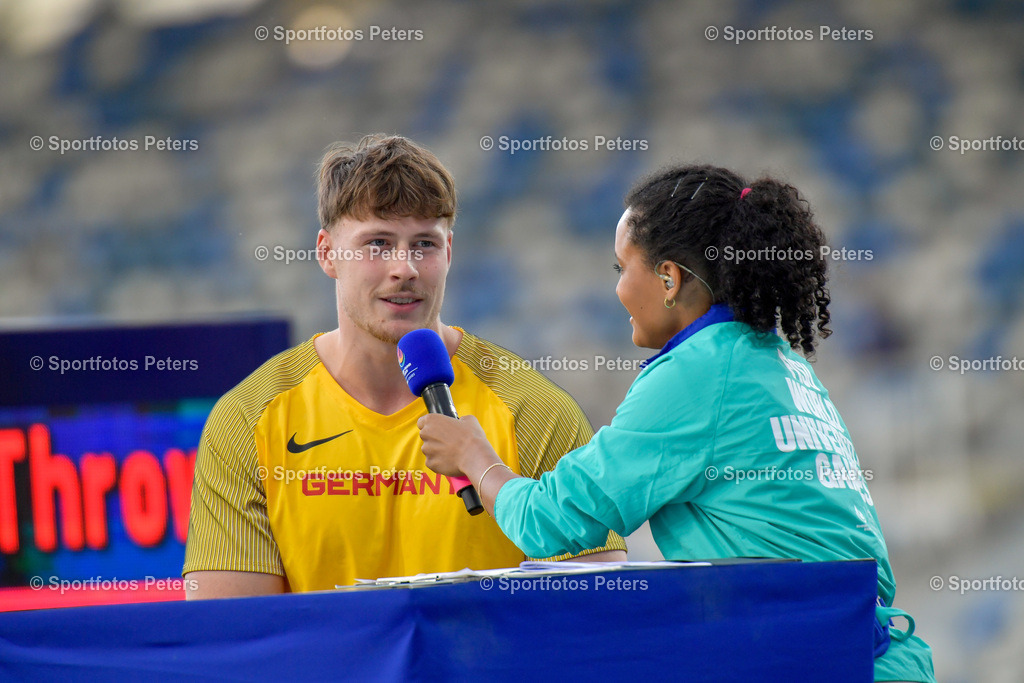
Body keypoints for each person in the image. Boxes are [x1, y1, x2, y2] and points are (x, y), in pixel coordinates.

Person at [417, 164, 935, 682]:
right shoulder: (780, 363)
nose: (618, 288)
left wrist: (474, 458)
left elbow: (550, 523)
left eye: (620, 268)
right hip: (874, 656)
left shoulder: (697, 372)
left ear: (668, 277)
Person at [182, 134, 625, 597]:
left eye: (424, 245)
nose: (404, 268)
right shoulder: (247, 420)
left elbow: (596, 611)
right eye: (377, 243)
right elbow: (235, 636)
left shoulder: (534, 411)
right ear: (327, 253)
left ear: (449, 252)